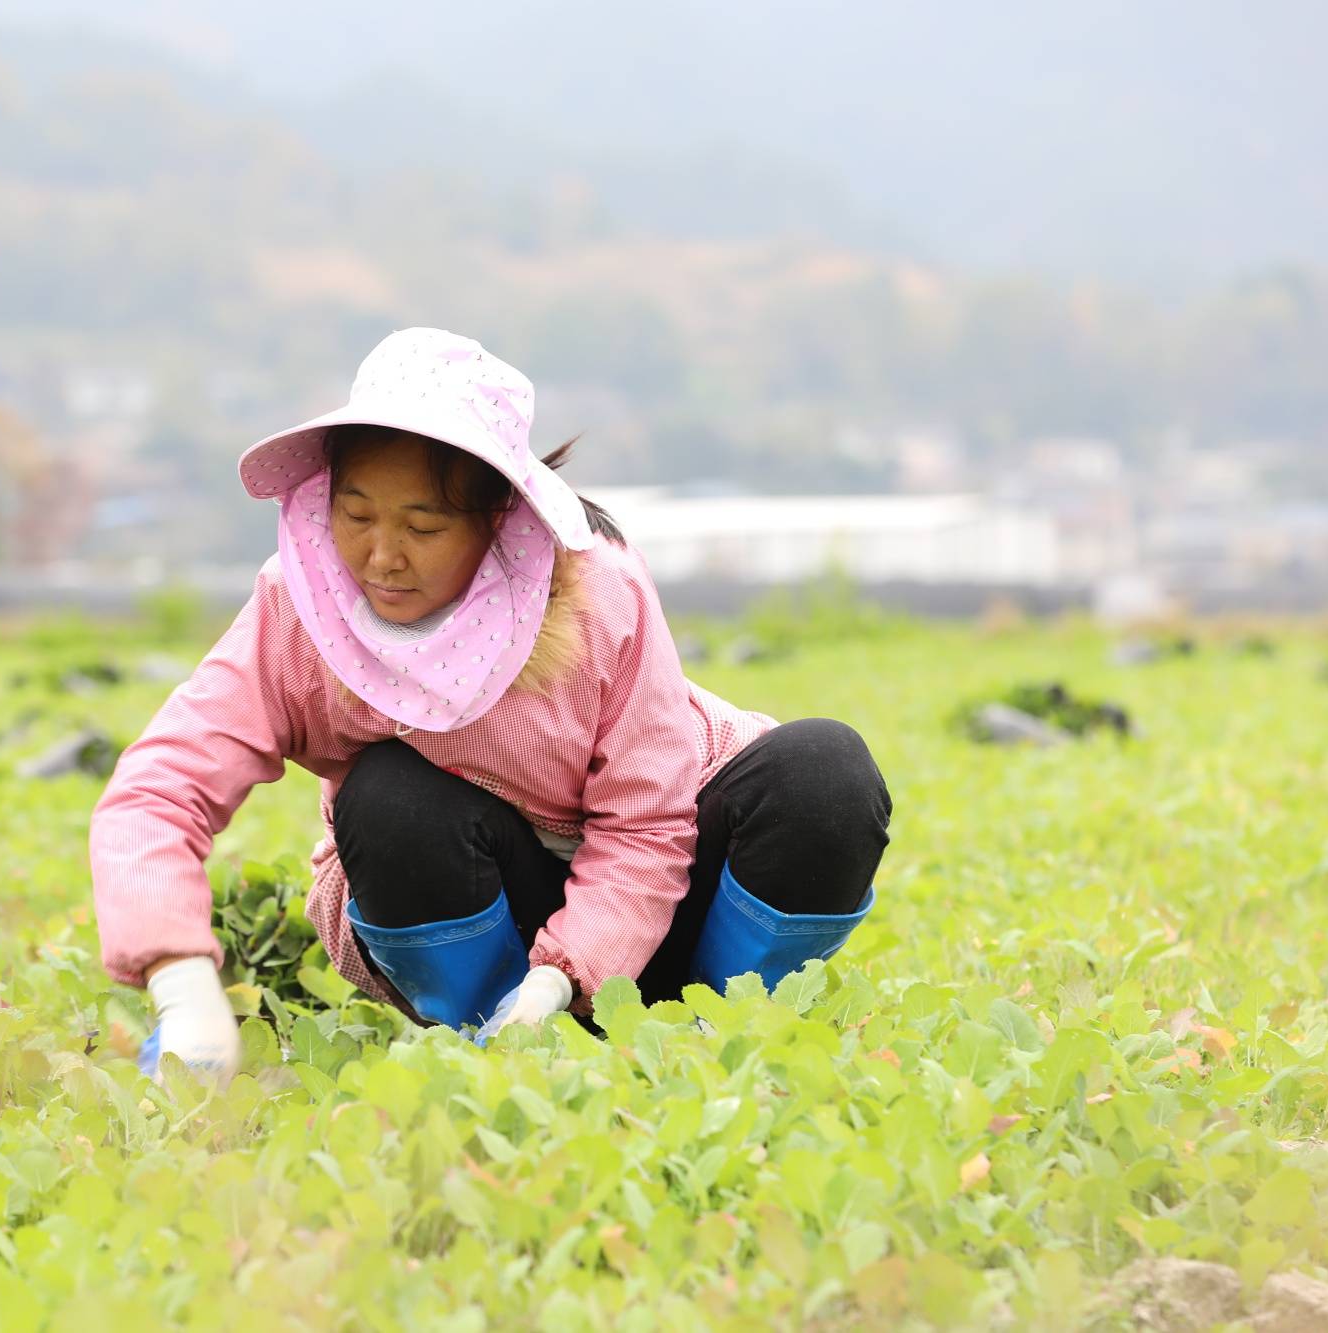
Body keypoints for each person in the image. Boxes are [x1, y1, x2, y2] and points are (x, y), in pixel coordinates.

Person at [90, 327, 892, 1084]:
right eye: (356, 514)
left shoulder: (593, 592)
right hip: (482, 894)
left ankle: (715, 1025)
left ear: (500, 520)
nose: (380, 556)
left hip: (666, 884)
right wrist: (182, 978)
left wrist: (562, 982)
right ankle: (494, 1042)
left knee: (824, 774)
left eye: (423, 524)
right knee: (390, 795)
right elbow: (159, 790)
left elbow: (648, 823)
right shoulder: (302, 610)